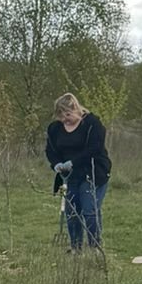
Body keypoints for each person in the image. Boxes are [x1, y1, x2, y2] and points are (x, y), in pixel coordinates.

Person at [45, 93, 112, 251]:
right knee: (72, 211)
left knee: (89, 210)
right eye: (61, 117)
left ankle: (95, 248)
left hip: (93, 173)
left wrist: (72, 162)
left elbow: (94, 149)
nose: (64, 120)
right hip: (70, 176)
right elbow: (50, 150)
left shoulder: (92, 124)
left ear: (75, 108)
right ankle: (76, 248)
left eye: (67, 115)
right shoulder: (54, 129)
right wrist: (56, 164)